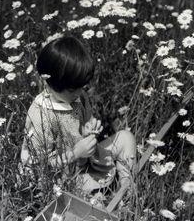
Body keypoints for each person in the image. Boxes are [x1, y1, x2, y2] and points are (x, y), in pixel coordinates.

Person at [21, 35, 136, 193]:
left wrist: (89, 129)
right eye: (73, 89)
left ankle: (126, 188)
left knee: (126, 138)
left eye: (82, 87)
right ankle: (99, 197)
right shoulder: (41, 116)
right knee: (91, 203)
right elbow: (40, 165)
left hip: (85, 161)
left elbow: (82, 126)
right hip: (62, 178)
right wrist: (75, 153)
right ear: (49, 82)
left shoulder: (77, 96)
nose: (80, 93)